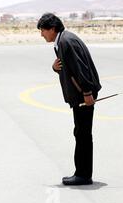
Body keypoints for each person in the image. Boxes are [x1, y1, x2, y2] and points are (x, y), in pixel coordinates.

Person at [38, 13, 101, 186]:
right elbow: (70, 69)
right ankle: (81, 173)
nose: (41, 35)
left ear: (52, 29)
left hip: (83, 95)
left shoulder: (66, 42)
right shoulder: (63, 41)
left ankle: (83, 175)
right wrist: (55, 68)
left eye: (42, 30)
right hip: (81, 94)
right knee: (80, 133)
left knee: (83, 134)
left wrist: (87, 93)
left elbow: (81, 69)